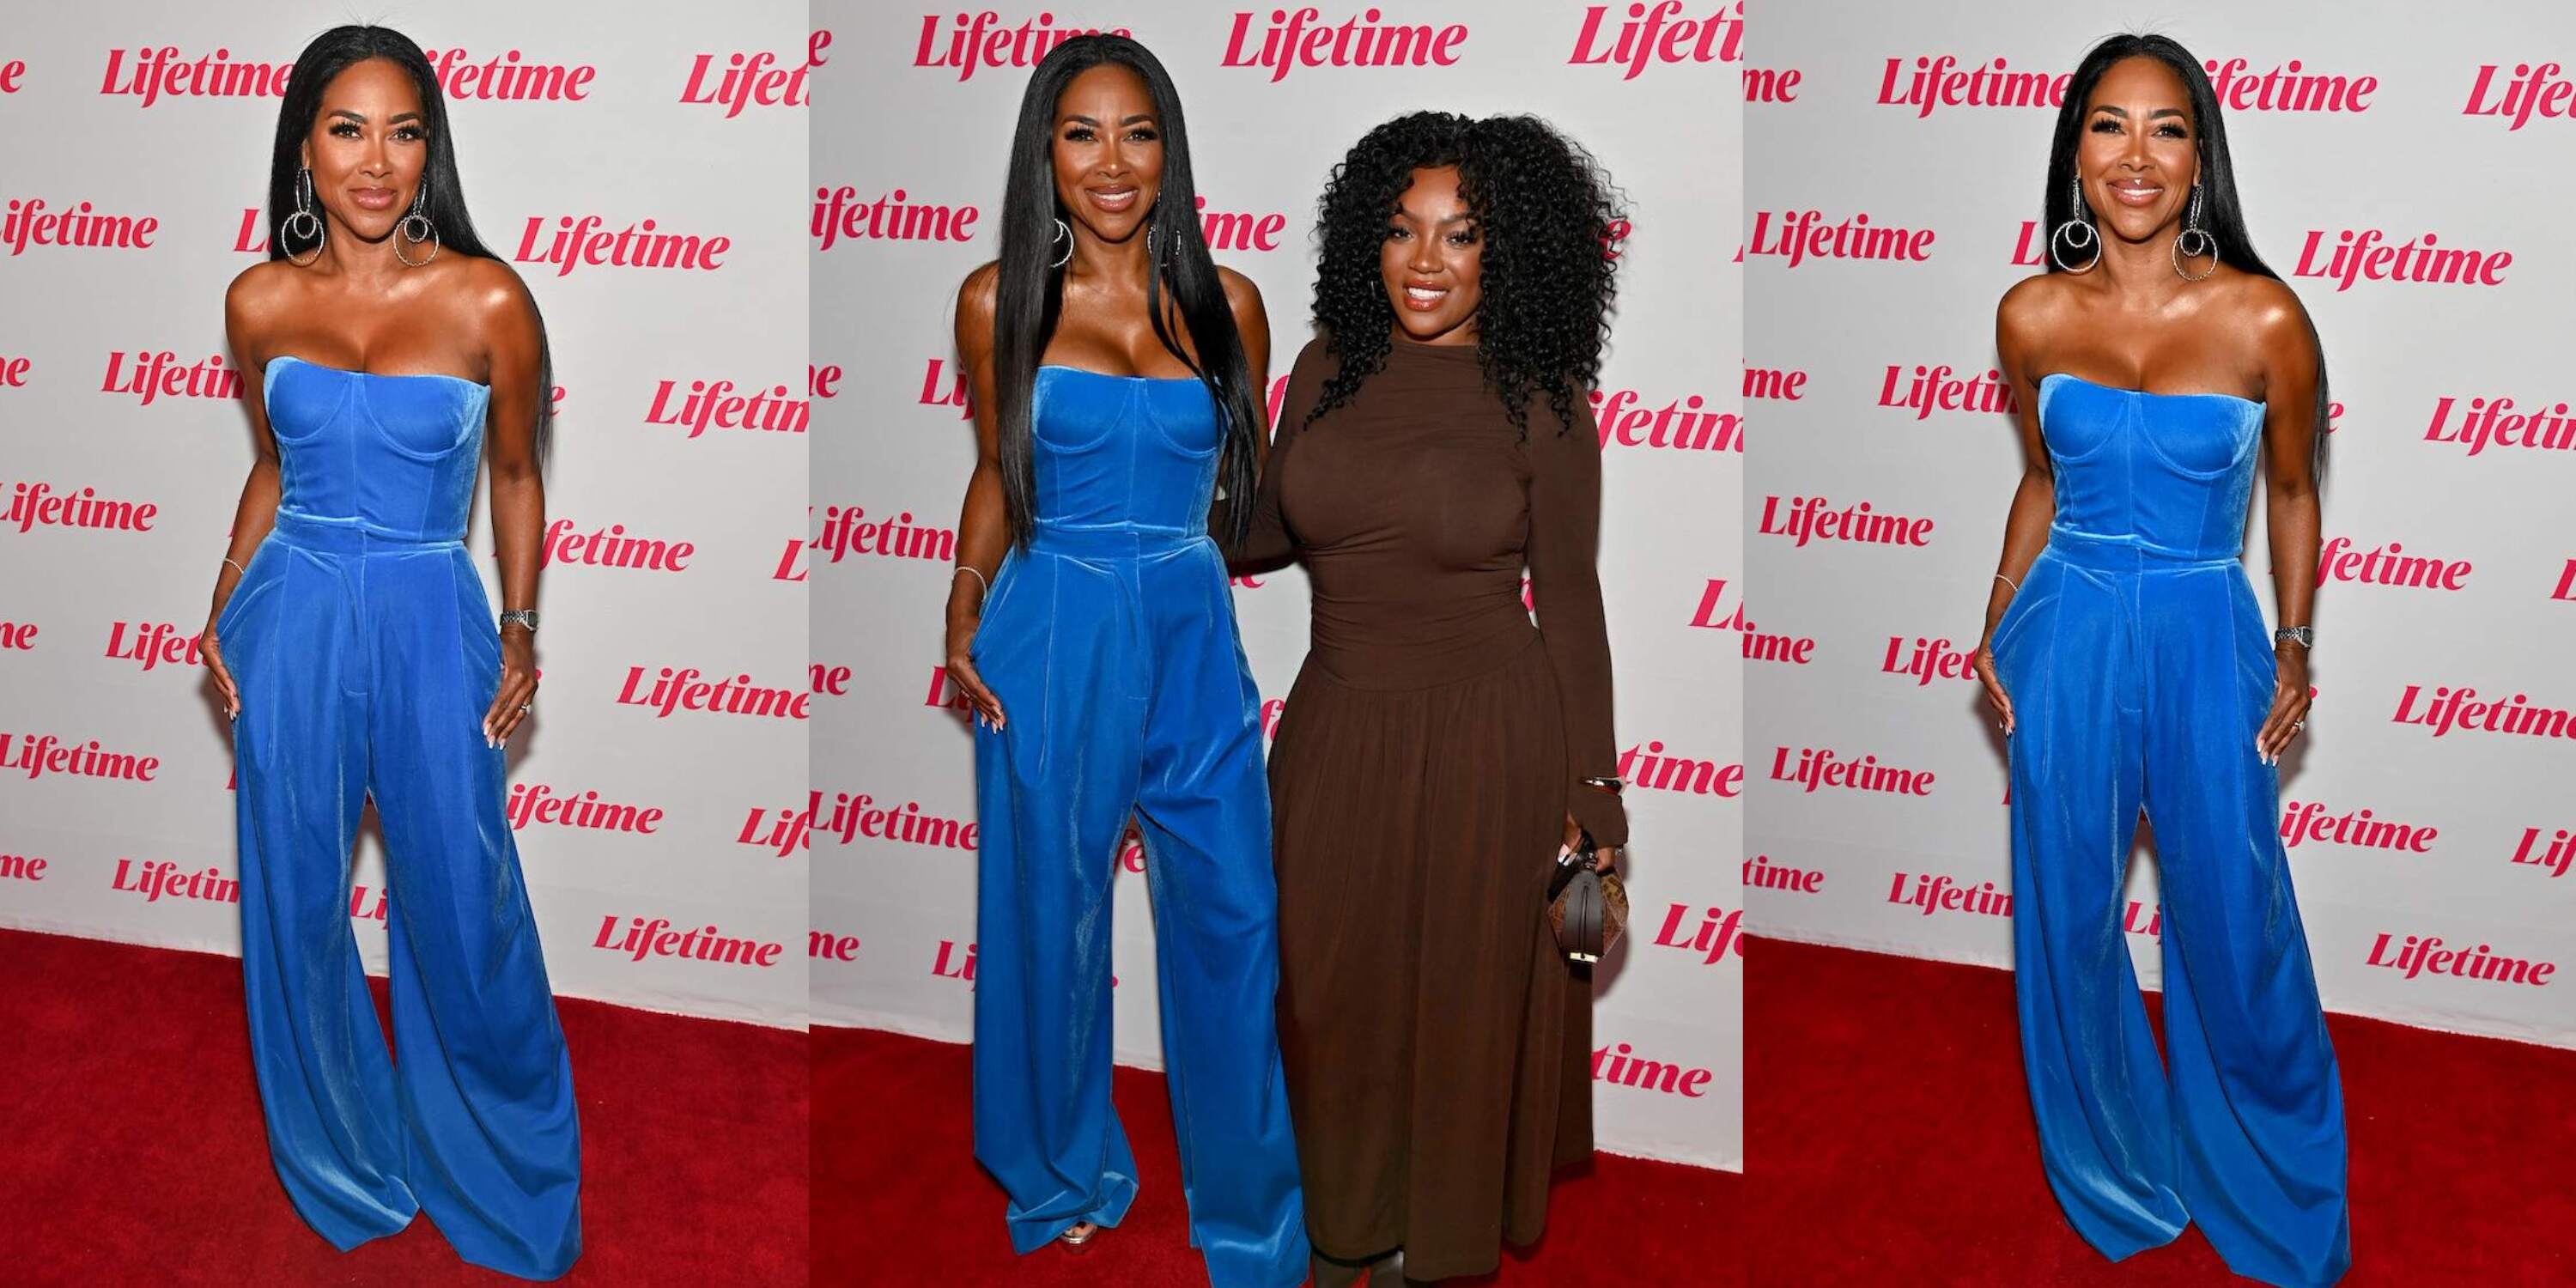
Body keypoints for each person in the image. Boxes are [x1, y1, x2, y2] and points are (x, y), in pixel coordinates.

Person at [200, 25, 579, 1281]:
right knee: (297, 900)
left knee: (461, 906)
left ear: (432, 147)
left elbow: (516, 474)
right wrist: (222, 600)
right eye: (348, 129)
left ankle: (503, 1163)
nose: (377, 162)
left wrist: (520, 625)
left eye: (403, 131)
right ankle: (340, 1154)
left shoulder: (487, 300)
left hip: (430, 615)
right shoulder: (259, 300)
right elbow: (274, 468)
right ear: (304, 147)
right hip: (294, 612)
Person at [1973, 33, 2349, 1288]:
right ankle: (2113, 1167)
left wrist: (2293, 642)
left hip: (2203, 631)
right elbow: (2043, 480)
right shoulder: (2029, 313)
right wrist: (1995, 622)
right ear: (2075, 152)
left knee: (2233, 920)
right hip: (2067, 630)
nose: (2137, 157)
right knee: (2070, 917)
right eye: (2110, 126)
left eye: (2167, 129)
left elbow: (2291, 491)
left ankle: (2273, 1173)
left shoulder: (2264, 317)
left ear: (2201, 158)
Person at [1230, 111, 1627, 1287]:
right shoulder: (1321, 368)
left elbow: (1570, 598)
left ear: (1511, 258)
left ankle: (1432, 1251)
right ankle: (1343, 1228)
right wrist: (1195, 443)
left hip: (1487, 741)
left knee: (1458, 1019)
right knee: (1331, 1004)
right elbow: (1258, 535)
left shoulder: (1542, 400)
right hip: (1338, 733)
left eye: (1461, 238)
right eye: (1402, 231)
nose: (1424, 261)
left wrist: (1595, 794)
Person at [937, 33, 1309, 1288]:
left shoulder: (1231, 304)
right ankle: (1060, 1174)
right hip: (1051, 626)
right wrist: (961, 602)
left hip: (1190, 626)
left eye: (1137, 132)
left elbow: (1239, 494)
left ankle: (1253, 1211)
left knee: (1237, 915)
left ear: (1170, 151)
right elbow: (999, 470)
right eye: (1083, 132)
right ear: (1047, 148)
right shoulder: (999, 300)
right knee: (1051, 916)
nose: (1111, 161)